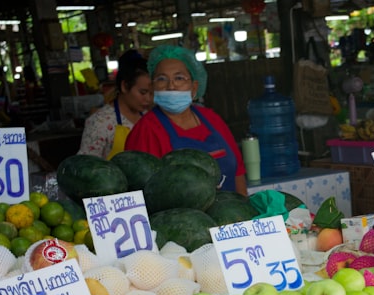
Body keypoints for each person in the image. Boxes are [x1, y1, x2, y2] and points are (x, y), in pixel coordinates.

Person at [125, 45, 247, 195]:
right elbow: (140, 189)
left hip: (230, 213)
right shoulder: (145, 130)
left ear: (194, 87)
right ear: (152, 88)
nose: (171, 86)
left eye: (179, 78)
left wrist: (245, 208)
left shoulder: (211, 119)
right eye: (161, 79)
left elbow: (238, 171)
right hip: (179, 218)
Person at [78, 50, 152, 160]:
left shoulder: (149, 117)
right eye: (143, 92)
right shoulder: (99, 122)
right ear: (125, 86)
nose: (148, 99)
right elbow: (85, 167)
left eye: (152, 93)